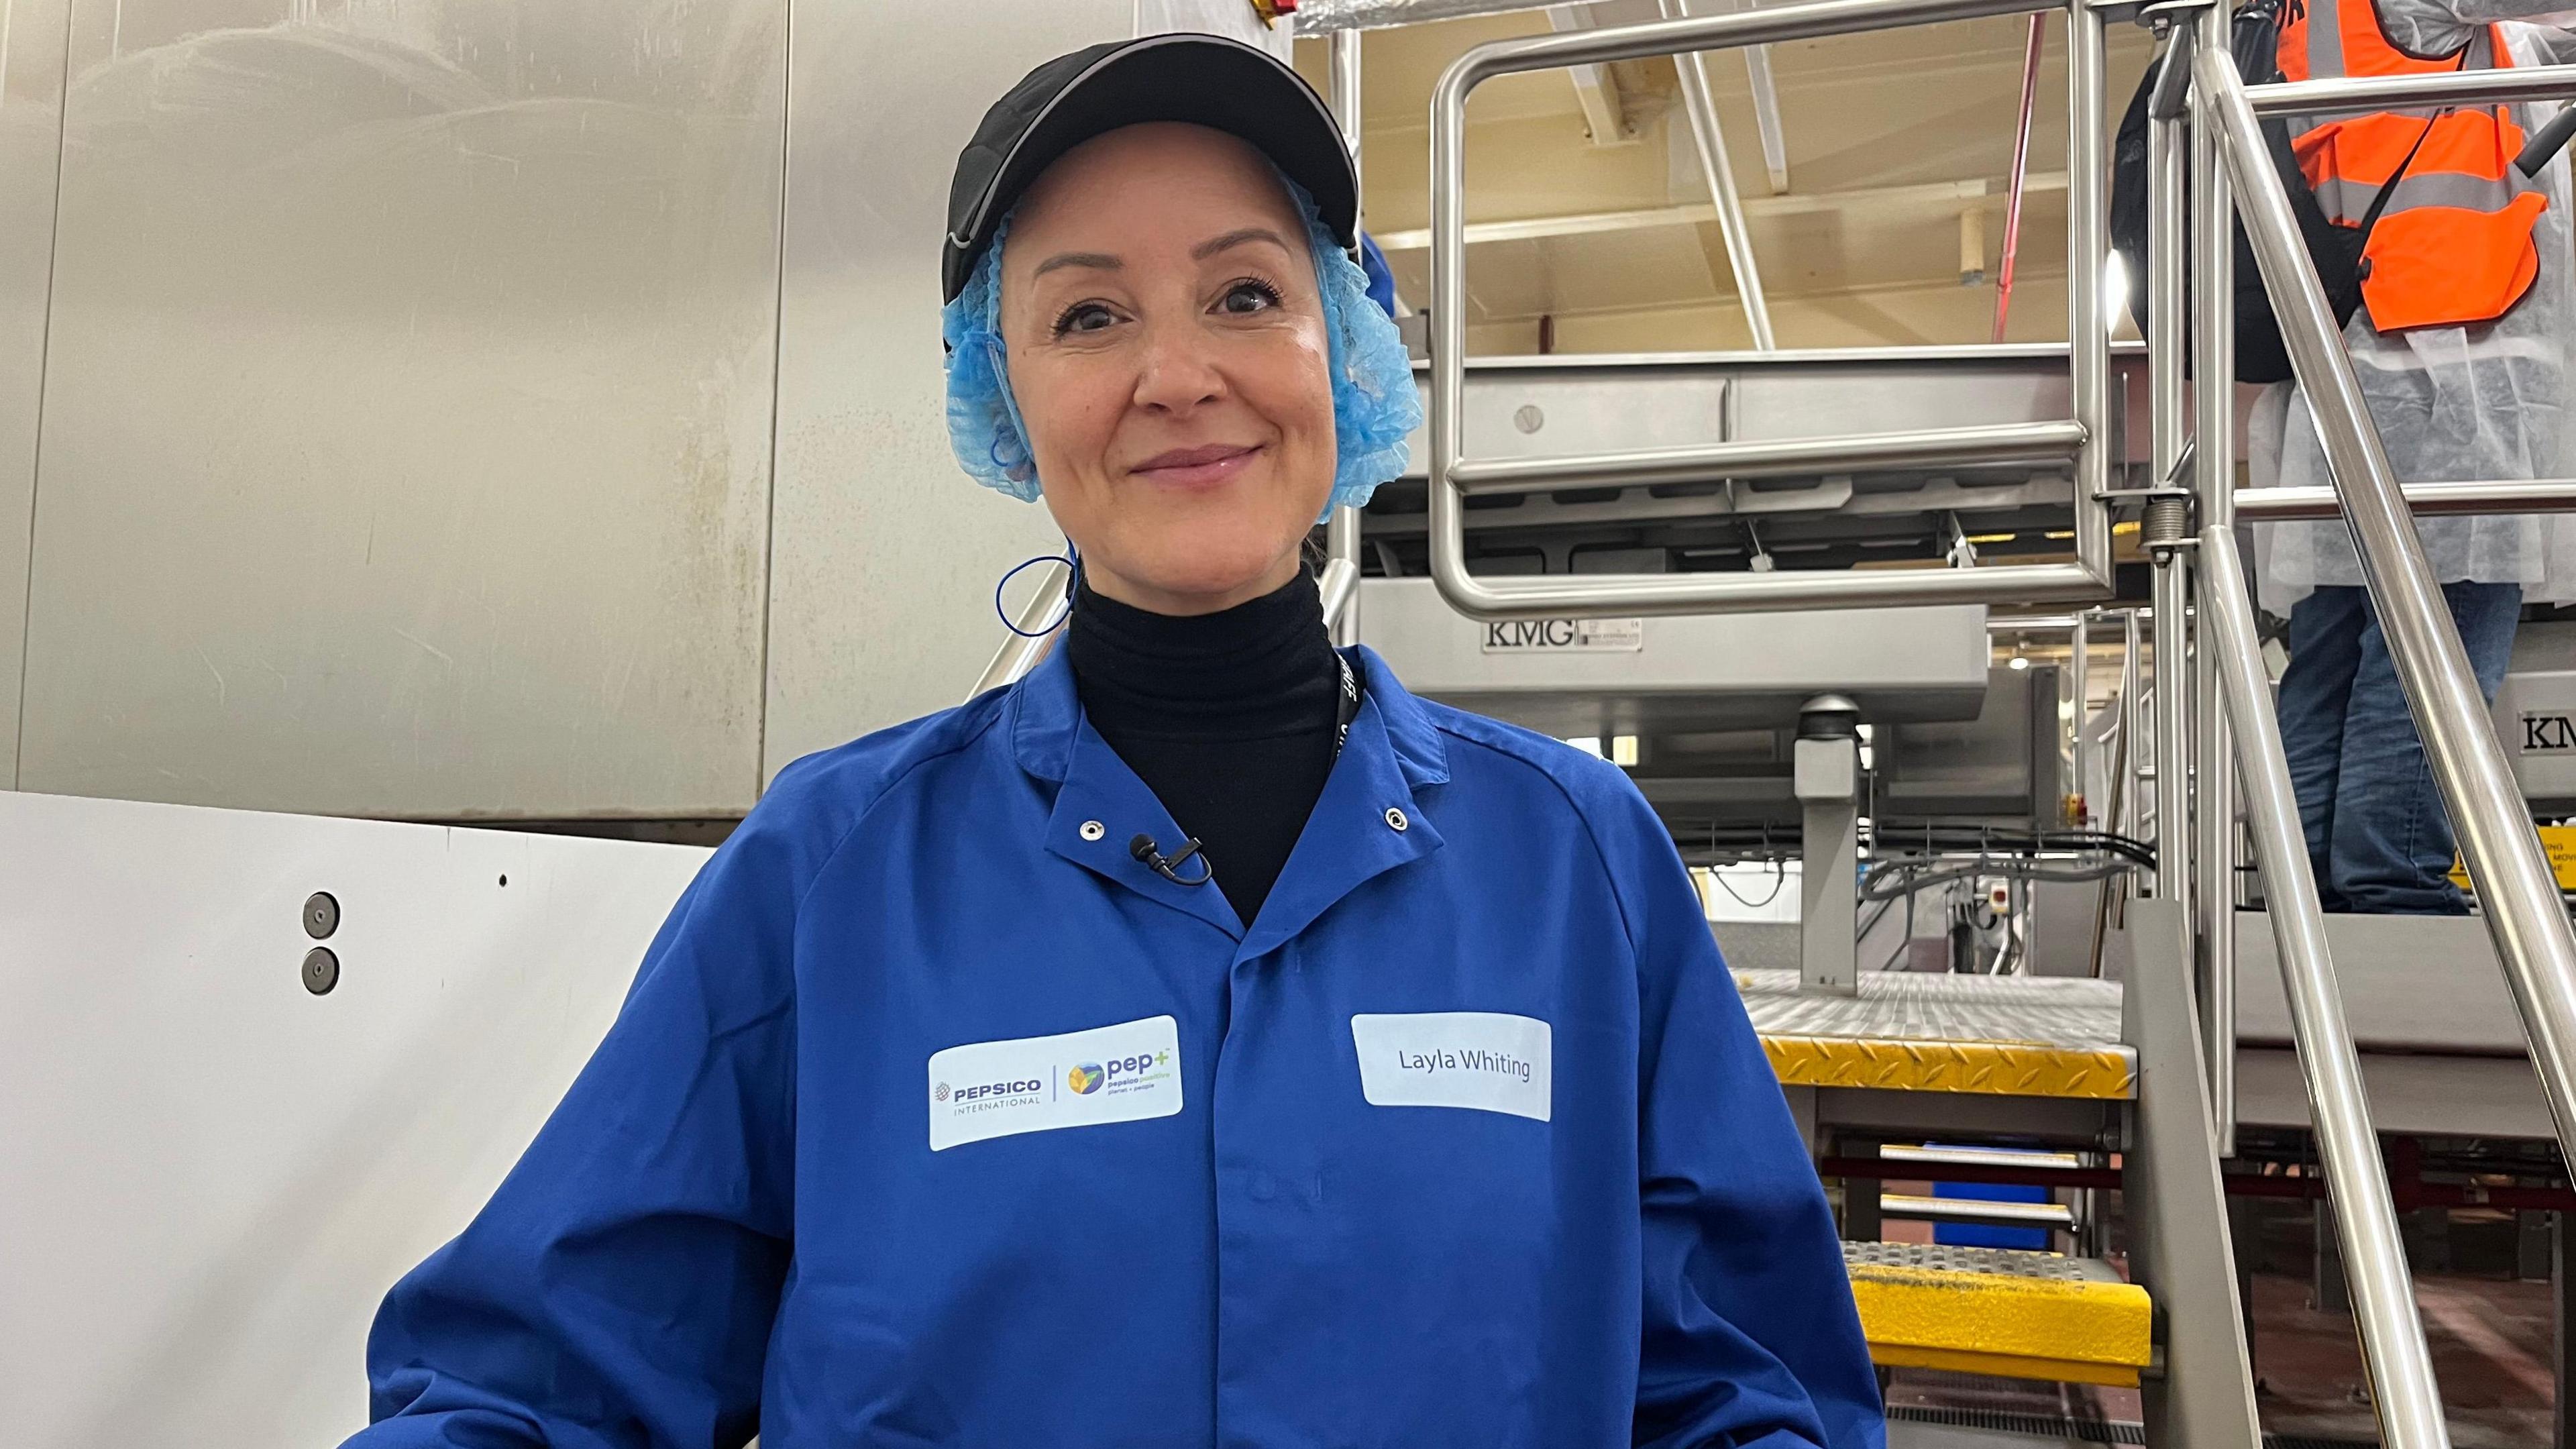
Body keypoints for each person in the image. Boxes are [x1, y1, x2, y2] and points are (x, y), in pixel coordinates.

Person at [345, 33, 1882, 1449]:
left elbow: (1748, 1391)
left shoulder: (1576, 869)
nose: (1178, 374)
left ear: (1345, 350)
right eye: (1089, 314)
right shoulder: (835, 876)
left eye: (1246, 294)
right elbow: (529, 1383)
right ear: (1000, 397)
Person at [2251, 0, 2576, 914]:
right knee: (2436, 641)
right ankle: (2392, 889)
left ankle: (2308, 895)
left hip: (2361, 360)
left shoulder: (2321, 14)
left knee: (2340, 651)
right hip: (2448, 375)